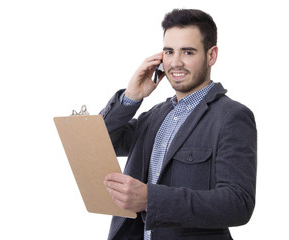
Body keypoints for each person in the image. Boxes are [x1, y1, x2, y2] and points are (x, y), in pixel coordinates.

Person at [101, 8, 257, 240]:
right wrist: (131, 97)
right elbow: (104, 142)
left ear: (211, 55)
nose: (175, 62)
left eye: (188, 52)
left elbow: (238, 203)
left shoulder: (232, 116)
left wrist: (150, 198)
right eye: (169, 51)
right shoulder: (153, 117)